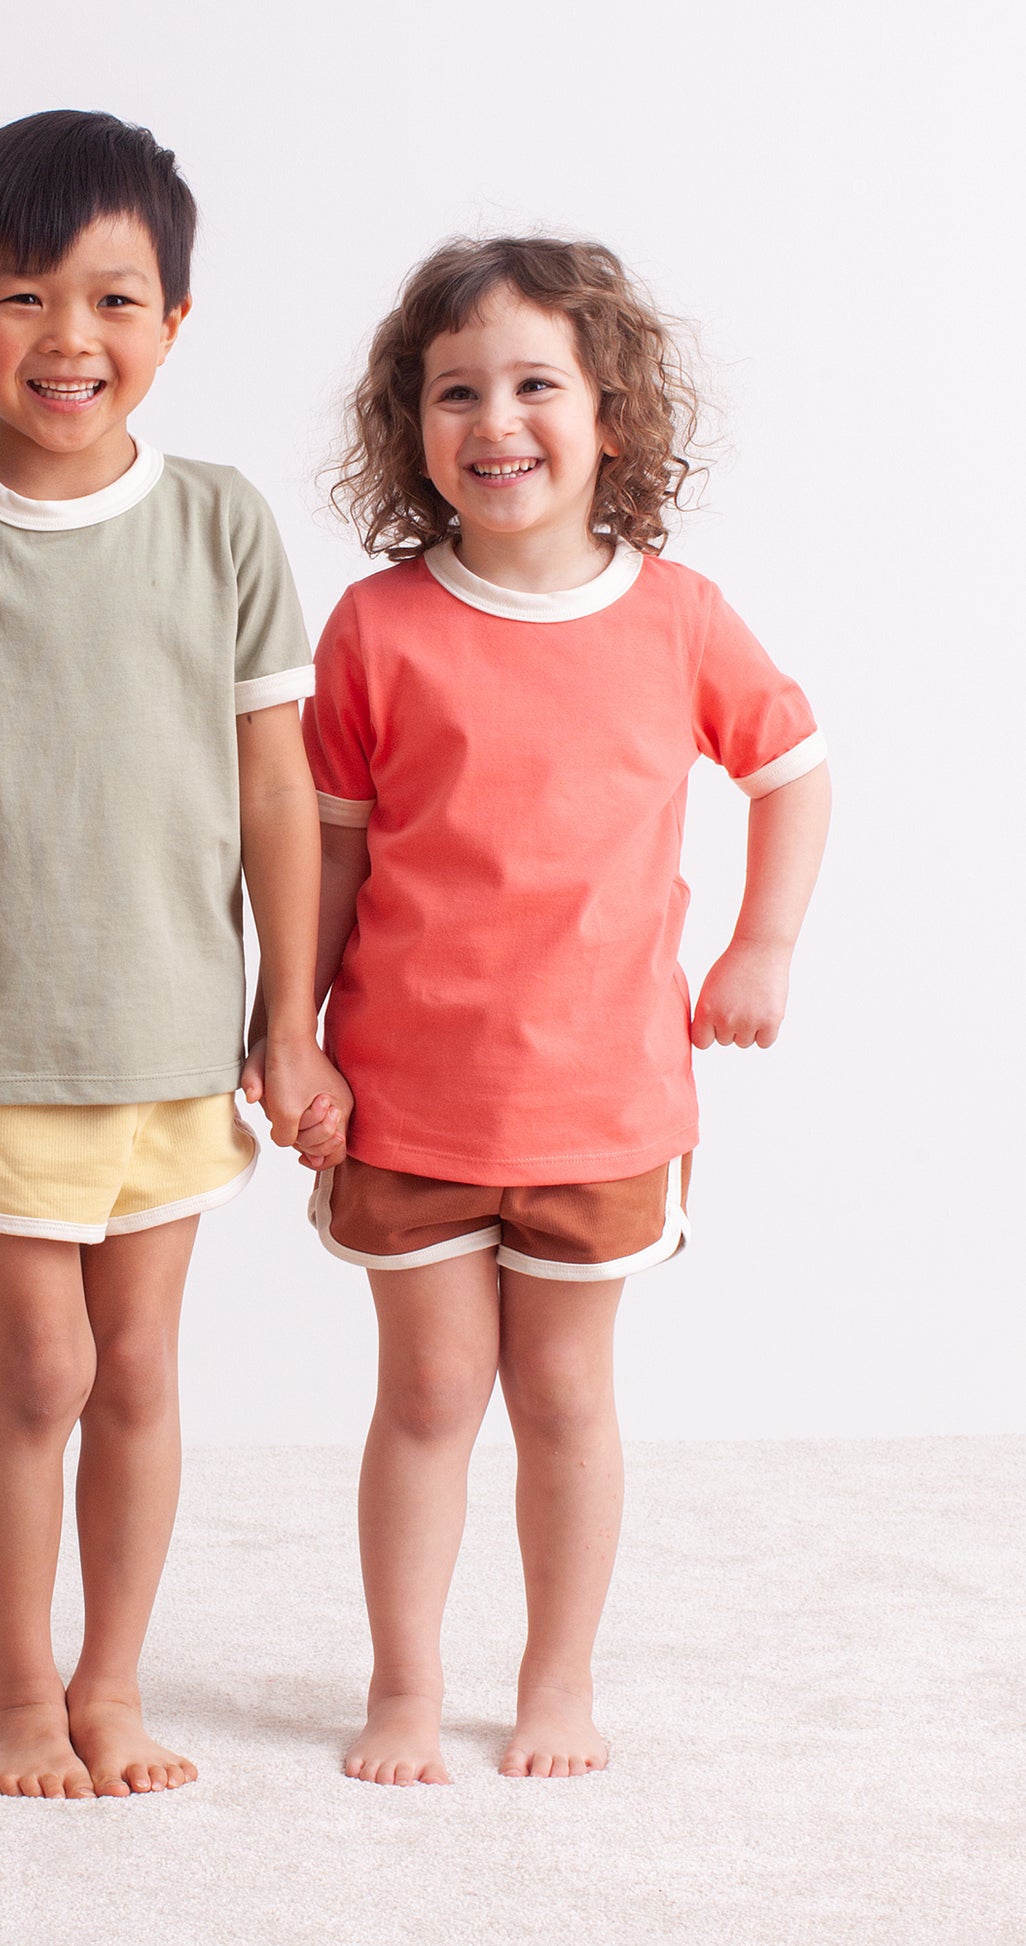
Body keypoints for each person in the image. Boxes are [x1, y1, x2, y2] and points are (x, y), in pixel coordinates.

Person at [0, 110, 350, 1799]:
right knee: (39, 1369)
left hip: (175, 1032)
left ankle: (111, 1682)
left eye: (113, 299)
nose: (67, 337)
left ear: (172, 322)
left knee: (142, 1370)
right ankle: (17, 1689)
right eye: (21, 297)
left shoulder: (221, 522)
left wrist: (289, 1020)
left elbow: (278, 791)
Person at [304, 236, 831, 1784]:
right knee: (425, 1392)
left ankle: (555, 1679)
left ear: (609, 414)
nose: (496, 421)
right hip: (406, 1097)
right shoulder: (375, 627)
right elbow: (329, 855)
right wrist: (288, 1032)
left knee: (558, 1394)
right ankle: (403, 1686)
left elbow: (792, 768)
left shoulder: (677, 616)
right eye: (454, 391)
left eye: (536, 384)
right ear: (410, 424)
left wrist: (761, 944)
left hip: (604, 1104)